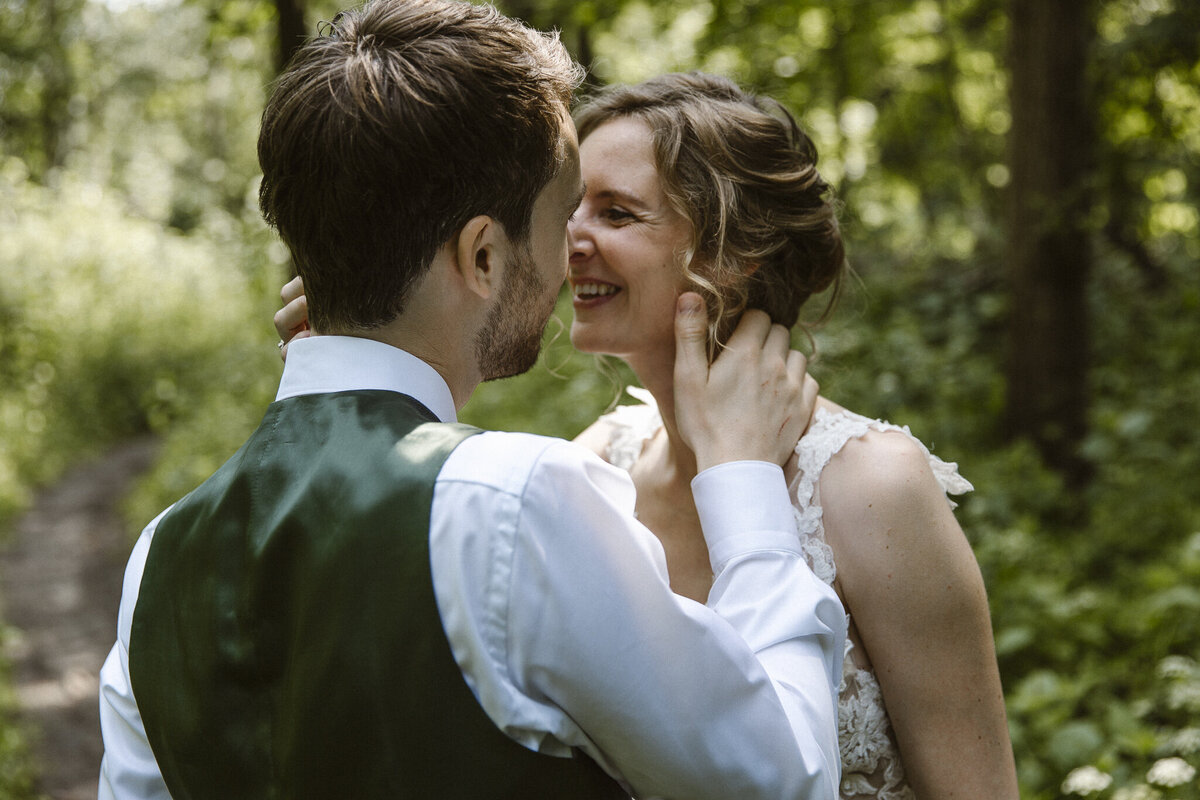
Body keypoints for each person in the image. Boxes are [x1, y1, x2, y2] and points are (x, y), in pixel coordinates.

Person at [98, 4, 848, 800]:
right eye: (562, 219)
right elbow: (781, 783)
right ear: (483, 255)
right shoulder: (512, 504)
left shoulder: (158, 562)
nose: (571, 259)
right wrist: (745, 488)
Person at [277, 71, 1022, 798]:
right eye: (571, 208)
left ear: (734, 256)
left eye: (618, 214)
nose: (569, 241)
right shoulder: (597, 462)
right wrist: (365, 348)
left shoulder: (871, 487)